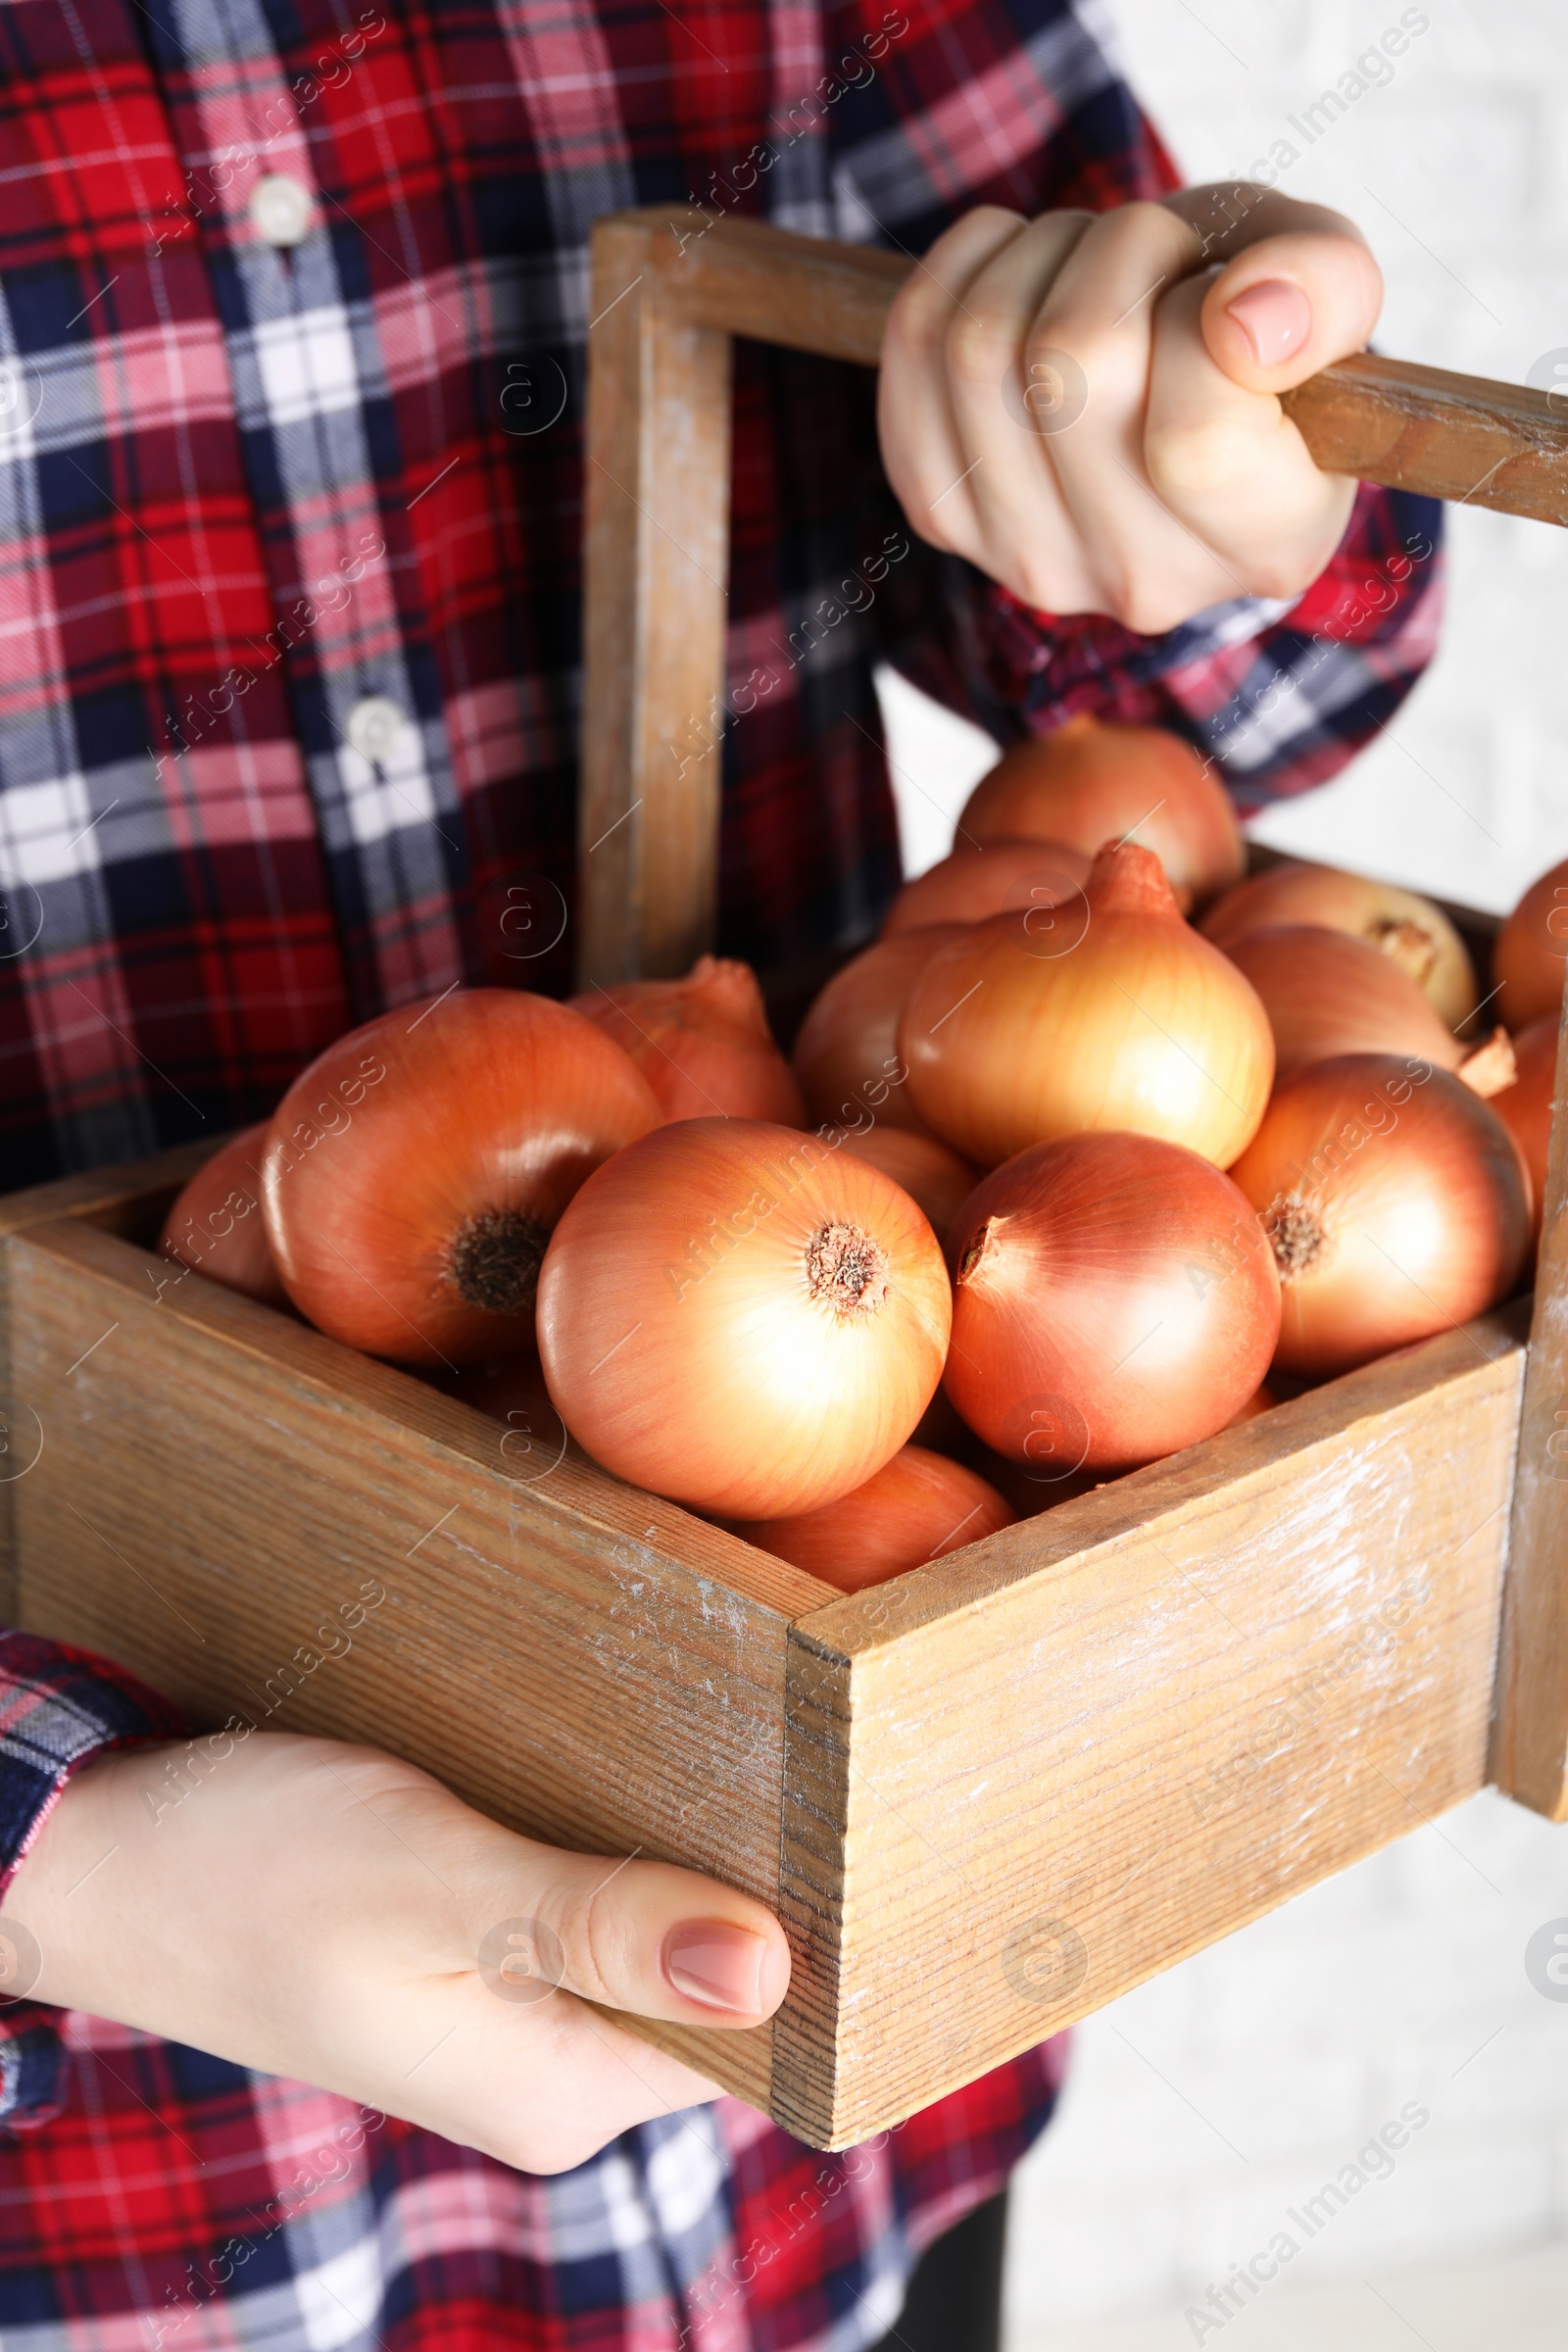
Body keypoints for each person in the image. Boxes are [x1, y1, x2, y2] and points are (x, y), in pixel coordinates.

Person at [0, 0, 1441, 2344]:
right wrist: (50, 1874)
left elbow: (1234, 708)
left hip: (852, 2113)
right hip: (139, 2200)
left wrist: (1214, 457)